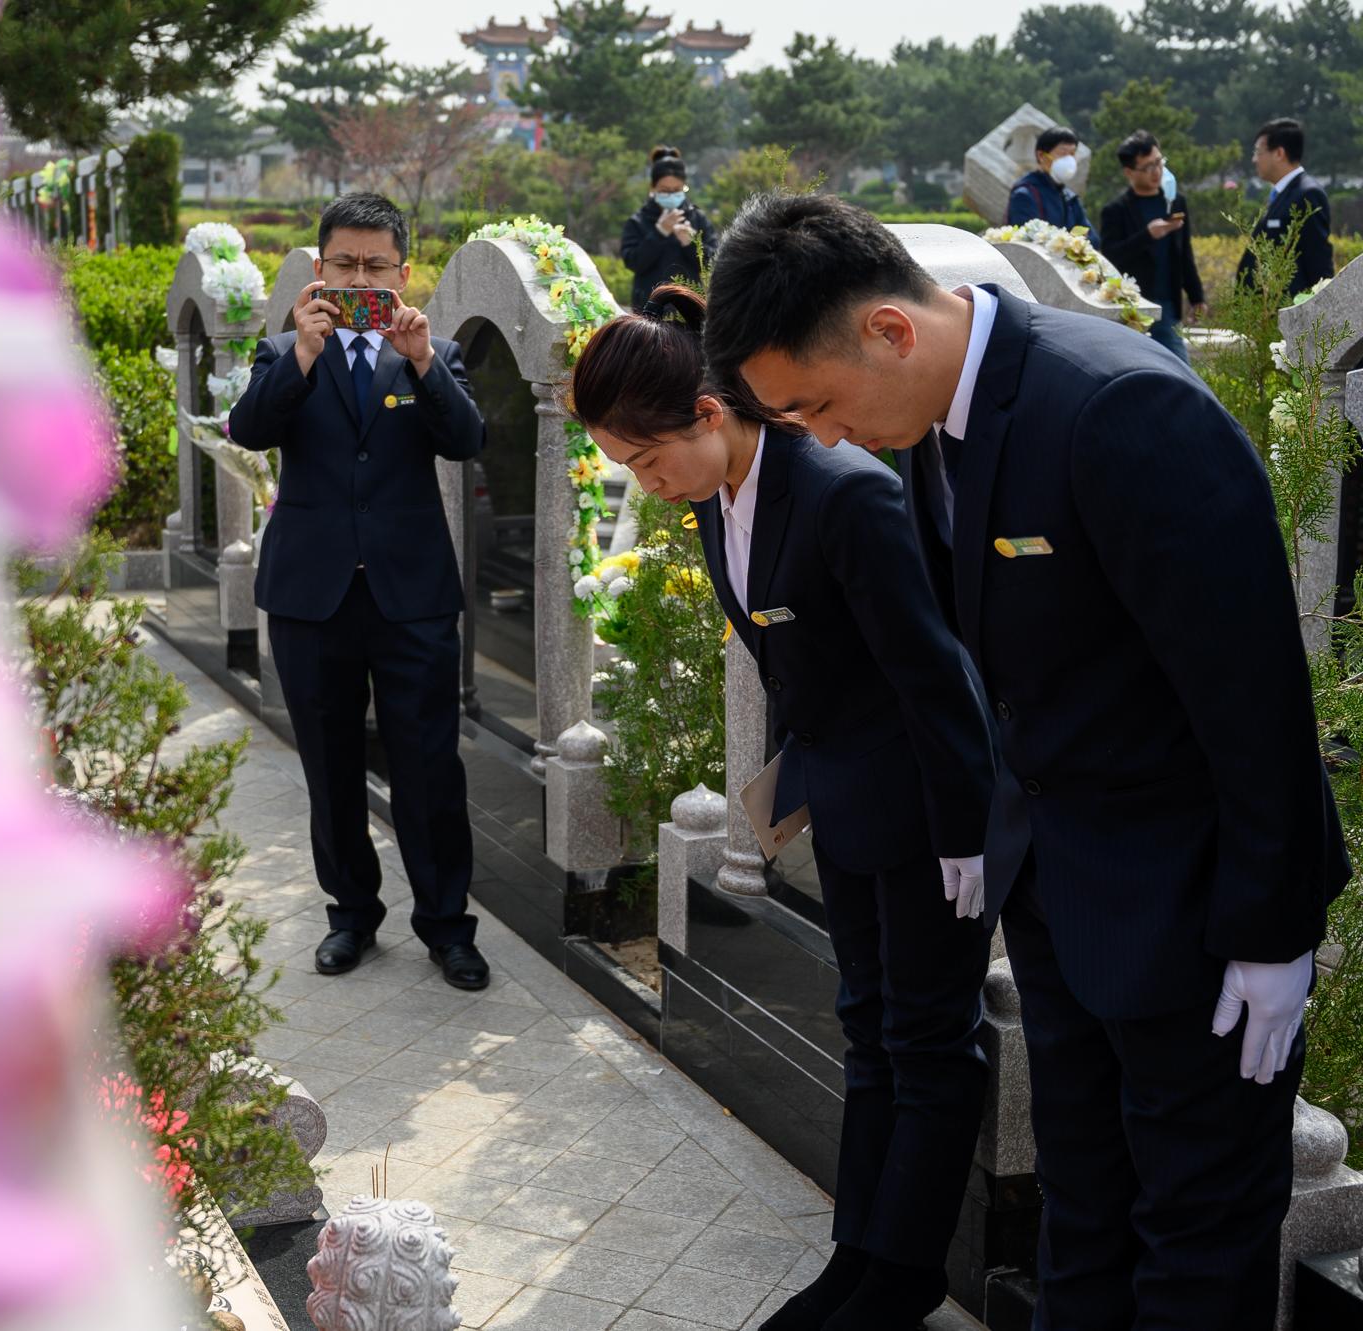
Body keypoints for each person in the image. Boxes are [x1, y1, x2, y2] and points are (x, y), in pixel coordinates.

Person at [704, 192, 1349, 1331]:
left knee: (1191, 1240)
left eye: (814, 403)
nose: (821, 437)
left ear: (888, 331)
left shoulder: (1114, 408)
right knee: (1081, 1208)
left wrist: (1270, 932)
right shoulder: (930, 426)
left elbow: (1250, 697)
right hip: (1056, 892)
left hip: (1185, 917)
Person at [570, 283, 996, 1331]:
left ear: (709, 413)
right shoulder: (721, 498)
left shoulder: (844, 490)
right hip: (846, 797)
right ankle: (858, 1249)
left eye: (644, 456)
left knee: (930, 1036)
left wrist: (964, 835)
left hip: (925, 807)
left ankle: (900, 1277)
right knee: (866, 1024)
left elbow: (933, 676)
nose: (646, 481)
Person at [226, 193, 491, 990]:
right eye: (344, 264)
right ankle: (352, 915)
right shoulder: (282, 355)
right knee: (330, 767)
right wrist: (304, 357)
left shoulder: (432, 351)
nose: (359, 278)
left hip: (411, 595)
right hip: (312, 596)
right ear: (319, 269)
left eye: (376, 266)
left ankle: (448, 925)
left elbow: (467, 439)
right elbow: (249, 429)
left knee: (429, 766)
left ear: (404, 275)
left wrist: (422, 363)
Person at [1099, 130, 1207, 363]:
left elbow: (1184, 252)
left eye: (1159, 162)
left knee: (1180, 369)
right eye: (1148, 167)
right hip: (1132, 305)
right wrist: (1147, 235)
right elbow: (1109, 257)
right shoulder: (1116, 210)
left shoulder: (1175, 202)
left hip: (1167, 304)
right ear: (1129, 172)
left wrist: (1197, 295)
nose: (1156, 171)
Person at [1236, 116, 1336, 298]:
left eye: (1258, 152)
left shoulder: (1307, 194)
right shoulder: (1281, 194)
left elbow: (1318, 259)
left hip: (1290, 312)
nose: (1254, 159)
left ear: (1279, 153)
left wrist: (1324, 311)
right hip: (1269, 312)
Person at [620, 145, 718, 310]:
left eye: (677, 190)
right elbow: (632, 262)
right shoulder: (638, 221)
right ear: (653, 188)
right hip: (649, 308)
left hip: (690, 308)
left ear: (684, 187)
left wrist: (691, 243)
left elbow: (713, 262)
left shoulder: (697, 218)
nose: (671, 195)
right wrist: (659, 233)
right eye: (665, 191)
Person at [1007, 126, 1099, 248]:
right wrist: (1071, 240)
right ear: (1041, 156)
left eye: (1072, 153)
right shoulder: (1025, 195)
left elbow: (1092, 238)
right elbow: (1027, 241)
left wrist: (1070, 241)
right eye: (1062, 153)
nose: (1069, 159)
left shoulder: (1070, 198)